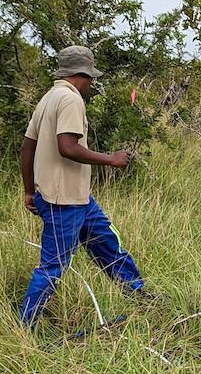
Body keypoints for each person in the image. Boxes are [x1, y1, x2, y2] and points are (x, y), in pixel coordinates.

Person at [18, 45, 148, 327]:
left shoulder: (48, 97)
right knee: (53, 266)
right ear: (82, 74)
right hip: (62, 201)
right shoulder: (70, 99)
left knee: (108, 244)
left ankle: (140, 296)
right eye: (91, 78)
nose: (92, 84)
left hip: (76, 197)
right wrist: (111, 160)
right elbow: (67, 147)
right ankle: (23, 327)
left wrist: (30, 190)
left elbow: (27, 148)